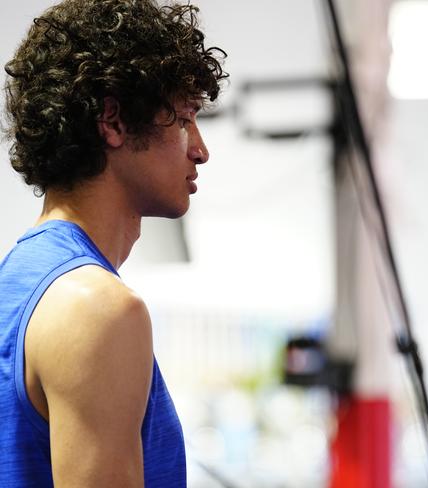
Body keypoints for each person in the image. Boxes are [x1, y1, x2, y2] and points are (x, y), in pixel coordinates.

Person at [0, 0, 227, 486]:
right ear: (114, 121)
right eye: (185, 117)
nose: (201, 150)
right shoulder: (96, 309)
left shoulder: (17, 286)